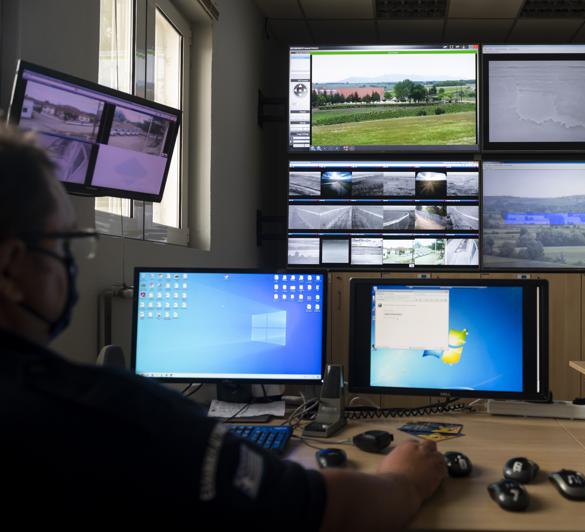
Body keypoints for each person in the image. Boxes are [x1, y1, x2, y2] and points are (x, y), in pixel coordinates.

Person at [0, 125, 446, 529]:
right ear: (13, 265)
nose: (72, 263)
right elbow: (327, 509)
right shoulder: (117, 419)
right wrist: (404, 480)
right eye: (65, 242)